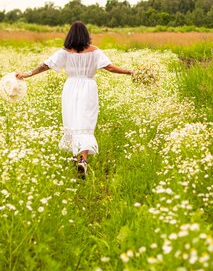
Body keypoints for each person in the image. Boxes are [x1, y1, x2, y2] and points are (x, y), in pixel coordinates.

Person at [16, 21, 134, 177]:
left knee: (72, 121)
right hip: (88, 88)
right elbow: (110, 67)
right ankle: (82, 160)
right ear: (86, 35)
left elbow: (45, 65)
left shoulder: (65, 52)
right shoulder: (95, 51)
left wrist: (27, 74)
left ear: (70, 35)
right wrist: (129, 72)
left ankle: (74, 158)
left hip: (70, 88)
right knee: (85, 123)